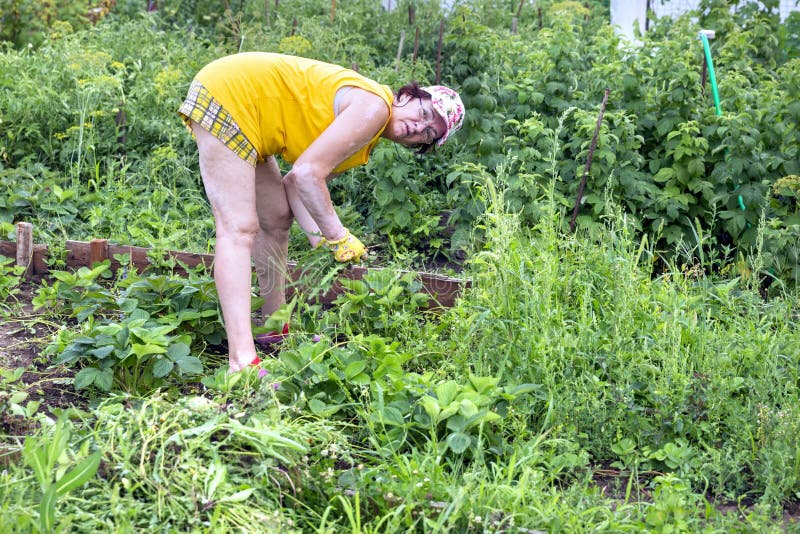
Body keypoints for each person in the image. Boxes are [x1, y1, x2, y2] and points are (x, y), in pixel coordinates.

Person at [178, 52, 465, 372]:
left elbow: (296, 186)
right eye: (424, 112)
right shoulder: (375, 108)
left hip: (251, 116)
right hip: (230, 94)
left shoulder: (368, 133)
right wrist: (338, 235)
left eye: (429, 132)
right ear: (407, 96)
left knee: (276, 216)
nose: (419, 125)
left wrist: (322, 242)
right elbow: (306, 174)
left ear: (420, 147)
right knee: (238, 229)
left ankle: (274, 327)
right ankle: (241, 362)